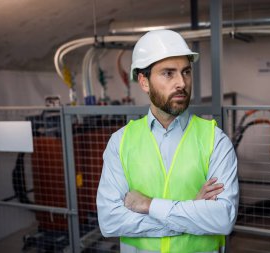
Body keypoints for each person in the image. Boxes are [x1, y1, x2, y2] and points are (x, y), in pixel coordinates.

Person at [96, 29, 239, 253]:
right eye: (168, 73)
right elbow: (110, 220)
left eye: (186, 72)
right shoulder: (120, 142)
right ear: (144, 82)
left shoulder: (216, 141)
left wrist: (148, 205)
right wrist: (191, 214)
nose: (181, 83)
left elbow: (222, 219)